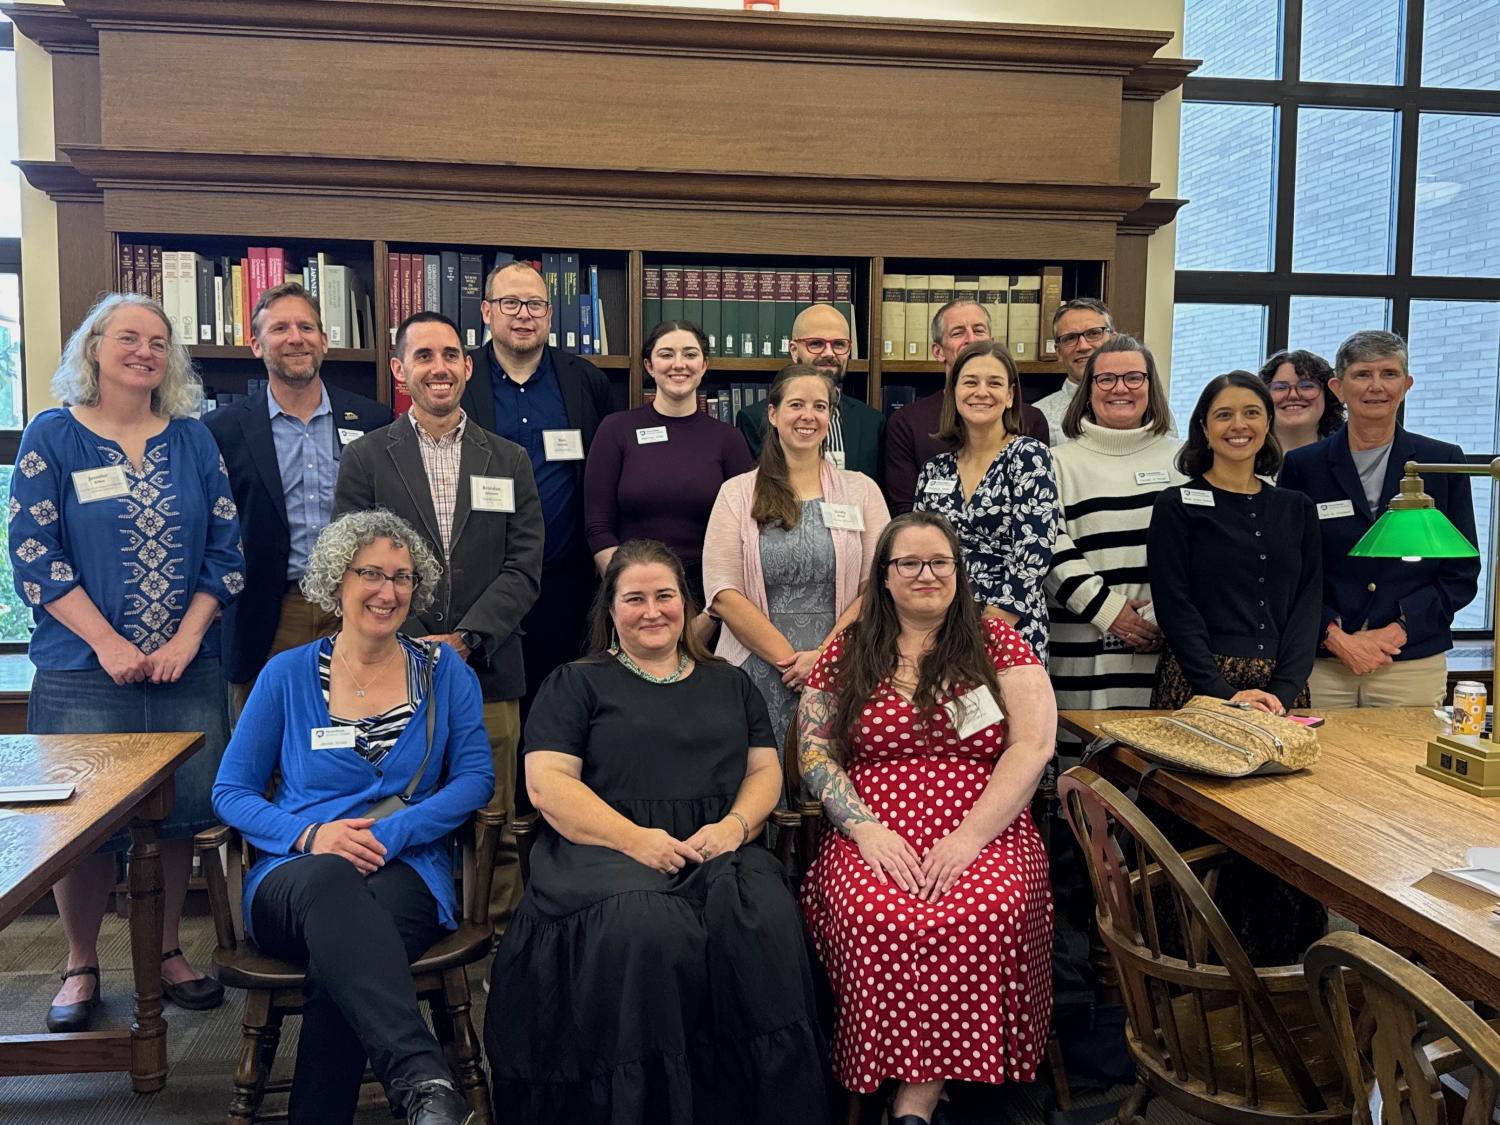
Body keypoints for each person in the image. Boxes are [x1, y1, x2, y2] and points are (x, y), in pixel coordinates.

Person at [484, 539, 828, 1124]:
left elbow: (765, 770)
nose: (652, 611)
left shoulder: (731, 682)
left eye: (665, 596)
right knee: (646, 926)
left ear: (686, 603)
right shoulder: (575, 683)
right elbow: (547, 785)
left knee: (762, 918)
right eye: (634, 598)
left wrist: (735, 827)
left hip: (717, 844)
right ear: (610, 610)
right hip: (603, 850)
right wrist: (635, 840)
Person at [213, 510, 493, 1125]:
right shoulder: (285, 676)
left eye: (402, 577)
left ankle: (407, 1097)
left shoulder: (446, 673)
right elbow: (231, 792)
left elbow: (476, 778)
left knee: (342, 964)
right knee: (331, 881)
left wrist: (393, 834)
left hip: (407, 871)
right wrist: (313, 835)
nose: (387, 592)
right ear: (337, 580)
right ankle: (423, 1079)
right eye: (371, 573)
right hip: (295, 874)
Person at [9, 293, 243, 1031]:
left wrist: (183, 640)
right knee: (80, 828)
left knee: (173, 821)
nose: (145, 350)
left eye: (159, 341)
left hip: (185, 669)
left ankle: (168, 950)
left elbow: (227, 554)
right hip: (83, 674)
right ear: (94, 347)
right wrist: (107, 641)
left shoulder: (193, 441)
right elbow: (32, 557)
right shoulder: (53, 436)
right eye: (128, 337)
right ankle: (81, 961)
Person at [797, 511, 1056, 1124]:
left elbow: (1033, 745)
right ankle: (921, 1086)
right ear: (883, 577)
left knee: (984, 907)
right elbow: (813, 748)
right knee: (874, 913)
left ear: (958, 572)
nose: (925, 574)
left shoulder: (995, 641)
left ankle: (914, 1098)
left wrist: (968, 838)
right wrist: (862, 828)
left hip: (985, 822)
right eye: (908, 563)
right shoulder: (849, 648)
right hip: (873, 826)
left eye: (939, 562)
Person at [334, 311, 543, 927]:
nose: (439, 368)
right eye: (423, 356)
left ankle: (495, 938)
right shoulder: (368, 458)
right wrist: (414, 643)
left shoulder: (508, 459)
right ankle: (411, 927)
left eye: (451, 355)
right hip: (389, 669)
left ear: (468, 367)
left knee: (495, 821)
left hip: (489, 667)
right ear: (400, 370)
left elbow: (525, 565)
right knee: (400, 809)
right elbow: (356, 566)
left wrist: (468, 638)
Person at [206, 281, 390, 718]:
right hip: (267, 613)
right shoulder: (221, 429)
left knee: (359, 737)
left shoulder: (372, 419)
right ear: (256, 344)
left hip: (355, 607)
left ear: (324, 341)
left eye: (306, 327)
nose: (295, 338)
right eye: (279, 328)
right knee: (266, 749)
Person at [1280, 329, 1478, 709]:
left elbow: (1461, 573)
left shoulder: (1443, 462)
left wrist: (1397, 631)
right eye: (1362, 374)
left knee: (1403, 766)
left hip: (1410, 660)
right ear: (1338, 387)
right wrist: (1335, 637)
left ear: (1406, 384)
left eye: (1388, 374)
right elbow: (1290, 570)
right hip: (1322, 661)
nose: (1376, 386)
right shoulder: (1304, 466)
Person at [704, 363, 890, 754]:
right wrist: (792, 663)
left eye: (820, 407)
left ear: (830, 417)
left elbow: (878, 586)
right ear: (772, 414)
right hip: (753, 668)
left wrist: (824, 660)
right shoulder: (736, 494)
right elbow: (723, 592)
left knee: (836, 785)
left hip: (844, 665)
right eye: (796, 405)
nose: (809, 416)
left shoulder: (863, 491)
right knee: (760, 786)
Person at [460, 260, 612, 732]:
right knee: (489, 710)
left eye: (535, 304)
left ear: (549, 314)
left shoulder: (584, 380)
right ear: (487, 311)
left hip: (565, 577)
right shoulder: (461, 379)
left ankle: (551, 800)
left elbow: (601, 471)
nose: (523, 314)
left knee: (562, 699)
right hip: (484, 579)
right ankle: (497, 804)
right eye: (510, 303)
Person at [1148, 371, 1321, 714]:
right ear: (1204, 427)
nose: (1238, 425)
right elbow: (1174, 606)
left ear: (1268, 423)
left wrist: (1284, 692)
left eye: (1252, 413)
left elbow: (1308, 604)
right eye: (1224, 415)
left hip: (1280, 692)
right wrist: (1219, 690)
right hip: (1197, 685)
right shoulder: (1176, 505)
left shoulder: (1297, 508)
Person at [1044, 335, 1184, 716]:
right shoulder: (1055, 463)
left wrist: (1157, 617)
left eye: (1134, 378)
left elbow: (1204, 553)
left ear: (1151, 387)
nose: (1120, 388)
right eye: (1106, 379)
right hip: (1080, 650)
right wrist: (1110, 612)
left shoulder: (1185, 461)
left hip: (1165, 650)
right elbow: (1047, 546)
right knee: (1083, 771)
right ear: (1087, 390)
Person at [583, 319, 752, 602]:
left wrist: (713, 611)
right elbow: (598, 526)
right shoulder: (615, 430)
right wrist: (626, 593)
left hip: (709, 594)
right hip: (633, 589)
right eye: (666, 354)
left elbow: (743, 533)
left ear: (704, 365)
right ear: (649, 366)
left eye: (690, 354)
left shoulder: (729, 439)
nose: (679, 364)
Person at [914, 340, 1056, 661]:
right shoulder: (934, 469)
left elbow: (1033, 554)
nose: (981, 392)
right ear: (953, 393)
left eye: (994, 383)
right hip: (940, 626)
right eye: (970, 382)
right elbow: (917, 549)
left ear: (1010, 396)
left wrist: (987, 628)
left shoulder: (1028, 457)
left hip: (1009, 626)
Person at [883, 298, 1050, 515]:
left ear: (993, 341)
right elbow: (907, 515)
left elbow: (1037, 521)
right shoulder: (908, 424)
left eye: (978, 330)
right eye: (958, 332)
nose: (971, 339)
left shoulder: (1030, 423)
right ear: (938, 351)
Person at [735, 302, 885, 479]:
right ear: (794, 351)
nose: (829, 353)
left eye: (839, 344)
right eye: (816, 344)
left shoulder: (873, 422)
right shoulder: (753, 420)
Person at [1030, 297, 1114, 447]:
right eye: (1070, 338)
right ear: (1058, 351)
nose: (1083, 346)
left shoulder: (1141, 406)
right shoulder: (1038, 417)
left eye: (1094, 333)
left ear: (1113, 339)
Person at [1257, 348, 1342, 454]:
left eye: (1306, 386)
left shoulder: (1349, 455)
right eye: (1280, 387)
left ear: (1328, 395)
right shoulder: (1241, 457)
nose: (1293, 395)